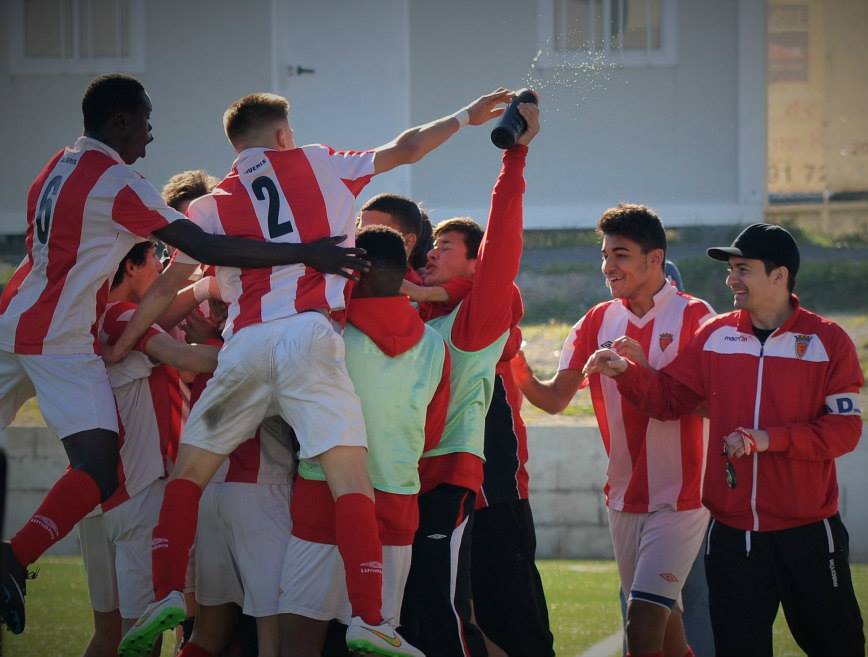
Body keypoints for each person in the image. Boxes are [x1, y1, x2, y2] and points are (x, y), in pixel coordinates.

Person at [114, 87, 515, 657]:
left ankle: (164, 594)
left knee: (189, 474)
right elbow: (406, 148)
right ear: (284, 134)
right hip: (309, 337)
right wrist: (465, 116)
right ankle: (371, 618)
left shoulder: (210, 205)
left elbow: (165, 287)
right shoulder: (320, 162)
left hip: (244, 344)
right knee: (350, 479)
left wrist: (124, 342)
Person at [0, 73, 364, 636]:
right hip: (61, 341)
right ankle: (14, 557)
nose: (151, 134)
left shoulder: (56, 166)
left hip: (12, 319)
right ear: (121, 120)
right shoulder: (119, 183)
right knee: (97, 466)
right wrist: (304, 253)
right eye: (146, 120)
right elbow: (203, 247)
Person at [583, 223, 866, 657]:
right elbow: (670, 400)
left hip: (808, 532)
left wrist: (768, 440)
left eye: (742, 269)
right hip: (733, 535)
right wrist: (627, 373)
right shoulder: (715, 335)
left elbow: (844, 431)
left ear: (779, 276)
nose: (731, 279)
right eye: (730, 269)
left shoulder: (828, 341)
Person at [512, 204, 714, 657]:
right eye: (604, 255)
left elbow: (715, 404)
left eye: (620, 255)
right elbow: (555, 399)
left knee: (641, 618)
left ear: (655, 259)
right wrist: (517, 366)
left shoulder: (697, 316)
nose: (608, 266)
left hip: (682, 497)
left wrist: (639, 371)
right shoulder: (597, 320)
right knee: (666, 627)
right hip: (623, 496)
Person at [399, 101, 539, 657]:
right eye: (430, 246)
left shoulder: (473, 320)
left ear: (477, 265)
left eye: (445, 247)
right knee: (415, 618)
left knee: (451, 618)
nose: (430, 254)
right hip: (402, 476)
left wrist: (515, 156)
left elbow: (503, 239)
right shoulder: (418, 314)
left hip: (452, 479)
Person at [277, 226, 450, 657]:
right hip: (396, 500)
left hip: (322, 494)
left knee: (299, 639)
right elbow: (432, 432)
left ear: (356, 270)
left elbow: (290, 412)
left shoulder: (325, 334)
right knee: (375, 641)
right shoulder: (435, 345)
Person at [78, 240, 219, 657]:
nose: (160, 266)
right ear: (132, 265)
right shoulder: (124, 315)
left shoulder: (88, 320)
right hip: (137, 492)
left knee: (106, 637)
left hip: (94, 497)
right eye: (155, 256)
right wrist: (257, 351)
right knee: (141, 639)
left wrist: (201, 287)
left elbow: (163, 317)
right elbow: (185, 358)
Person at [472, 322, 555, 657]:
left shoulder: (484, 308)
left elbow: (506, 323)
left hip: (495, 491)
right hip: (440, 488)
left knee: (516, 627)